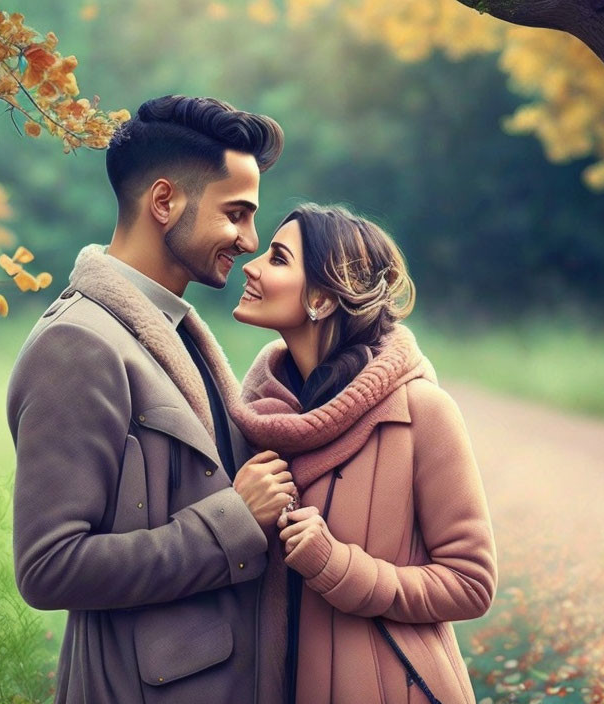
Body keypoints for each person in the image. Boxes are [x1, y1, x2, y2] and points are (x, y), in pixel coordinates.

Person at [6, 95, 293, 704]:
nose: (248, 240)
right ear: (165, 202)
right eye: (237, 213)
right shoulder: (77, 345)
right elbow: (49, 566)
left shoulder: (174, 331)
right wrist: (233, 524)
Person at [202, 203, 498, 702]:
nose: (250, 264)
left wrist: (336, 565)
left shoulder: (422, 411)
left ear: (321, 296)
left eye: (277, 258)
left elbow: (471, 583)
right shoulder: (254, 420)